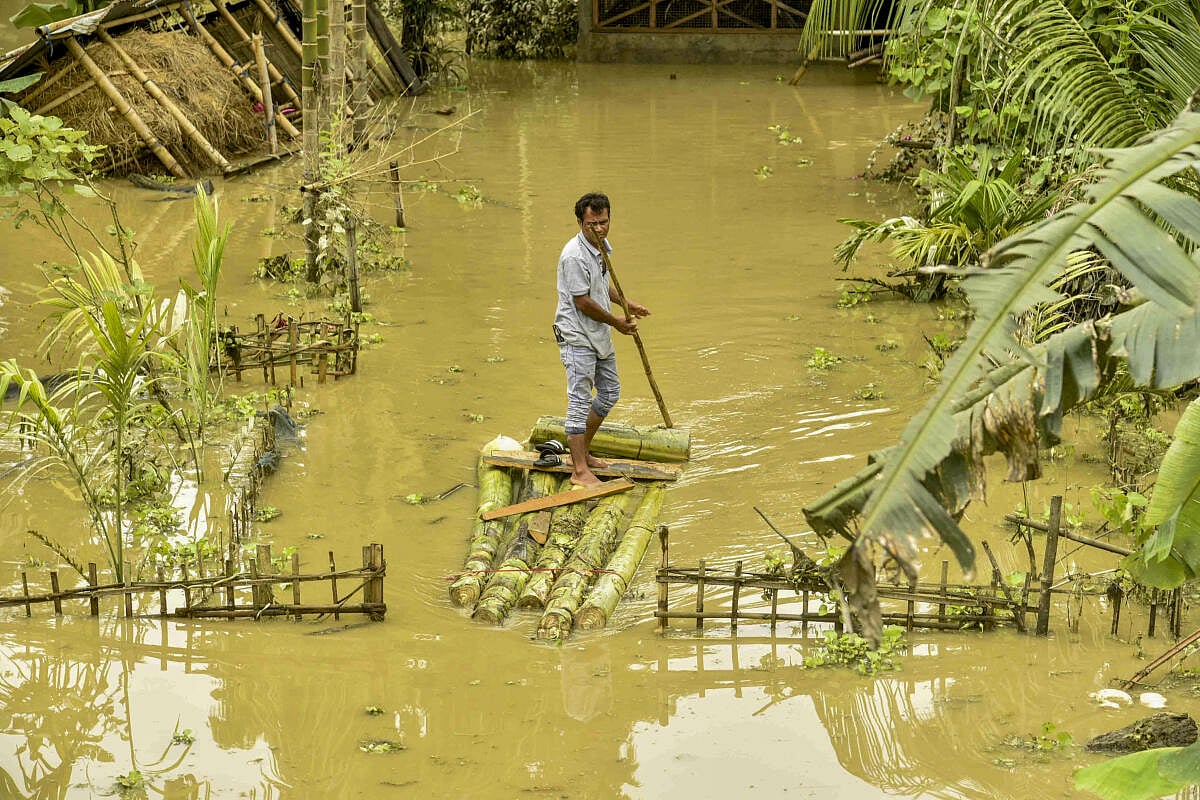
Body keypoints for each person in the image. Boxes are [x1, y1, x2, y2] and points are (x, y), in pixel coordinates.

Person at [552, 192, 649, 488]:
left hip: (598, 332)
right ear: (581, 222)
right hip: (576, 334)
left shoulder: (600, 247)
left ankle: (581, 453)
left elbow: (600, 286)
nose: (599, 229)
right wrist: (617, 323)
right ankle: (579, 471)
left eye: (603, 222)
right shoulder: (573, 255)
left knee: (609, 393)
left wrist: (626, 304)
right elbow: (582, 301)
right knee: (580, 400)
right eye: (592, 224)